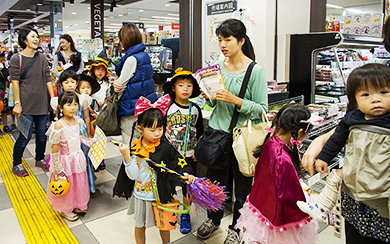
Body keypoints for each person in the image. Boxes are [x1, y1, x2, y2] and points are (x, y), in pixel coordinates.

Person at [195, 19, 268, 244]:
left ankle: (237, 227)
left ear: (241, 40)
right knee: (215, 183)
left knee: (243, 187)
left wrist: (237, 101)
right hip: (217, 135)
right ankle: (213, 220)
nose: (223, 44)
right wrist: (209, 98)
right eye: (219, 40)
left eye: (227, 39)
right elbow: (212, 106)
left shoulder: (256, 71)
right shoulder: (216, 67)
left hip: (243, 138)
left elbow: (262, 110)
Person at [302, 63, 390, 244]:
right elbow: (337, 139)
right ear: (355, 101)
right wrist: (324, 157)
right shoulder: (353, 118)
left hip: (380, 193)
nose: (375, 99)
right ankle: (322, 206)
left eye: (383, 92)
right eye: (366, 95)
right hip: (353, 190)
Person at [234, 103, 320, 244]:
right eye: (306, 134)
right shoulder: (282, 159)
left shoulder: (271, 140)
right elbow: (289, 197)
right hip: (276, 216)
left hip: (262, 203)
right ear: (299, 133)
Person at [117, 94, 195, 244]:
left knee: (164, 225)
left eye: (160, 128)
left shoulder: (165, 146)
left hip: (161, 195)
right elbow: (133, 175)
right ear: (140, 128)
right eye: (152, 130)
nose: (158, 133)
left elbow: (177, 162)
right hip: (141, 196)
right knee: (140, 225)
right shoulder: (135, 150)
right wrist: (127, 156)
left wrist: (186, 174)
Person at [162, 67, 203, 234]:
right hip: (171, 156)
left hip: (188, 156)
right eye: (181, 85)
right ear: (173, 88)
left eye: (189, 85)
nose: (185, 89)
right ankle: (169, 208)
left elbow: (200, 132)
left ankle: (185, 214)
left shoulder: (196, 109)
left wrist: (197, 151)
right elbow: (161, 131)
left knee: (188, 186)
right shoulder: (168, 108)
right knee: (168, 183)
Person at [9, 27, 54, 177]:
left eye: (37, 37)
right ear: (23, 40)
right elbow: (15, 82)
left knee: (42, 135)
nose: (36, 39)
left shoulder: (41, 58)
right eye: (32, 36)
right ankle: (17, 163)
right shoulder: (17, 59)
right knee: (25, 135)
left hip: (41, 102)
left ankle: (39, 158)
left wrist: (53, 98)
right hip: (25, 104)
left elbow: (48, 79)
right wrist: (17, 103)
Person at [46, 91, 96, 221]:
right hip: (65, 160)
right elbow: (55, 145)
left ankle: (76, 204)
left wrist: (88, 141)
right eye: (68, 105)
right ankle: (65, 208)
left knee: (77, 182)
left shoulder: (77, 121)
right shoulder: (59, 124)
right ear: (60, 107)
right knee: (67, 183)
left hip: (77, 157)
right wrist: (56, 164)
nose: (73, 108)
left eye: (75, 104)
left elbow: (76, 137)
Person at [113, 23, 157, 145]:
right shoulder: (144, 56)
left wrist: (116, 83)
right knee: (143, 146)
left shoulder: (131, 59)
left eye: (121, 39)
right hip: (144, 106)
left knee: (130, 146)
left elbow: (120, 86)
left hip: (131, 109)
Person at [0, 51, 11, 135]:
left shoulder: (4, 69)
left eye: (3, 60)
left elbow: (7, 75)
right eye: (1, 60)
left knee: (4, 109)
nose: (3, 62)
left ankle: (5, 125)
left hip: (4, 91)